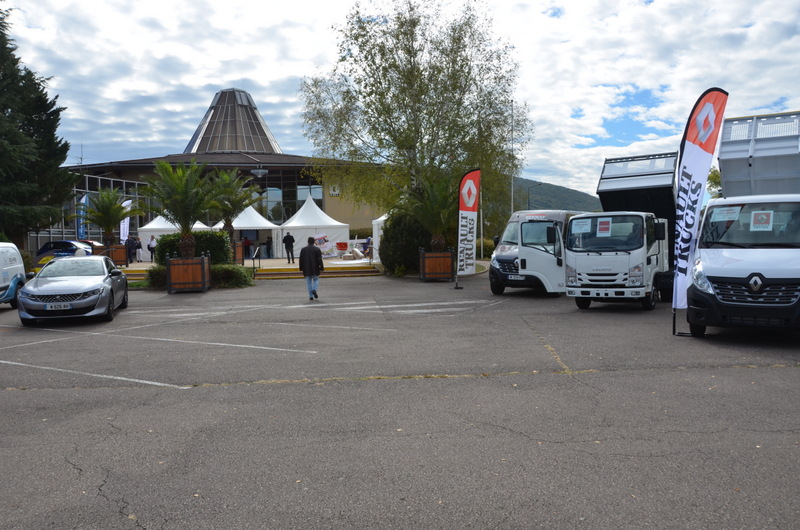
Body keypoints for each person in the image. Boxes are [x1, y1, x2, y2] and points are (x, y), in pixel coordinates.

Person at [299, 236, 324, 300]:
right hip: (315, 267)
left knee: (308, 282)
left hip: (306, 268)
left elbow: (301, 259)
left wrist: (301, 267)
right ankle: (314, 289)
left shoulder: (303, 249)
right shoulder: (317, 249)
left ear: (307, 242)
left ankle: (310, 296)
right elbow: (319, 259)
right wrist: (321, 266)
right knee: (316, 280)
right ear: (314, 242)